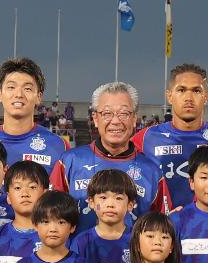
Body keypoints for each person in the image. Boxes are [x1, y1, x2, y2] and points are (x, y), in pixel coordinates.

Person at [52, 81, 165, 228]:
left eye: (124, 113)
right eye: (107, 113)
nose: (115, 121)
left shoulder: (152, 171)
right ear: (95, 119)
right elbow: (49, 218)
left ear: (134, 119)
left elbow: (162, 228)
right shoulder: (69, 162)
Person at [135, 63, 208, 205]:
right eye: (181, 90)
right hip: (163, 219)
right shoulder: (145, 138)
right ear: (169, 96)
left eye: (196, 90)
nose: (189, 98)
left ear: (206, 96)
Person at [0, 57, 68, 170]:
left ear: (39, 97)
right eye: (11, 87)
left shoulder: (59, 146)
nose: (19, 94)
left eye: (27, 89)